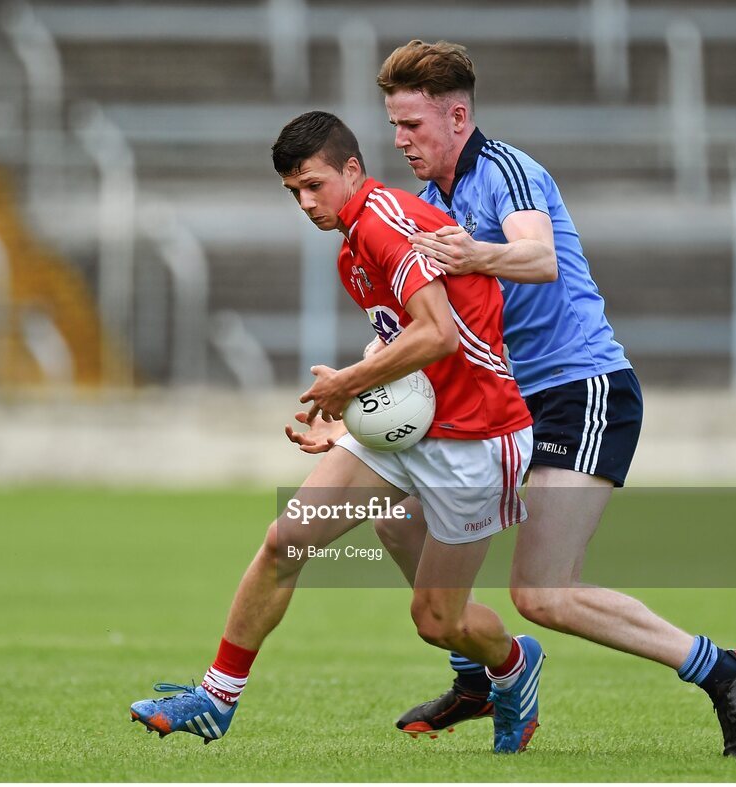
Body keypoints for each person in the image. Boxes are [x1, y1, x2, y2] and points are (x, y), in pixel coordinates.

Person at [366, 40, 736, 758]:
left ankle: (722, 668)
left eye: (411, 126)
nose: (399, 141)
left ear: (457, 115)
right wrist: (355, 381)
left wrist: (473, 253)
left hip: (578, 390)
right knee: (398, 521)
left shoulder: (507, 172)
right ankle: (474, 676)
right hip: (504, 404)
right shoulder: (427, 203)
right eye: (393, 126)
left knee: (543, 594)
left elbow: (539, 256)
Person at [130, 111, 542, 754]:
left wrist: (347, 383)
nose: (306, 202)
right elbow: (401, 339)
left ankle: (513, 666)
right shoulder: (353, 247)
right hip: (415, 429)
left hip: (477, 437)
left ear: (353, 169)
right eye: (294, 192)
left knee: (439, 621)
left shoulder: (382, 224)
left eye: (315, 185)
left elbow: (437, 333)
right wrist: (350, 414)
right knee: (286, 539)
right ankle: (216, 697)